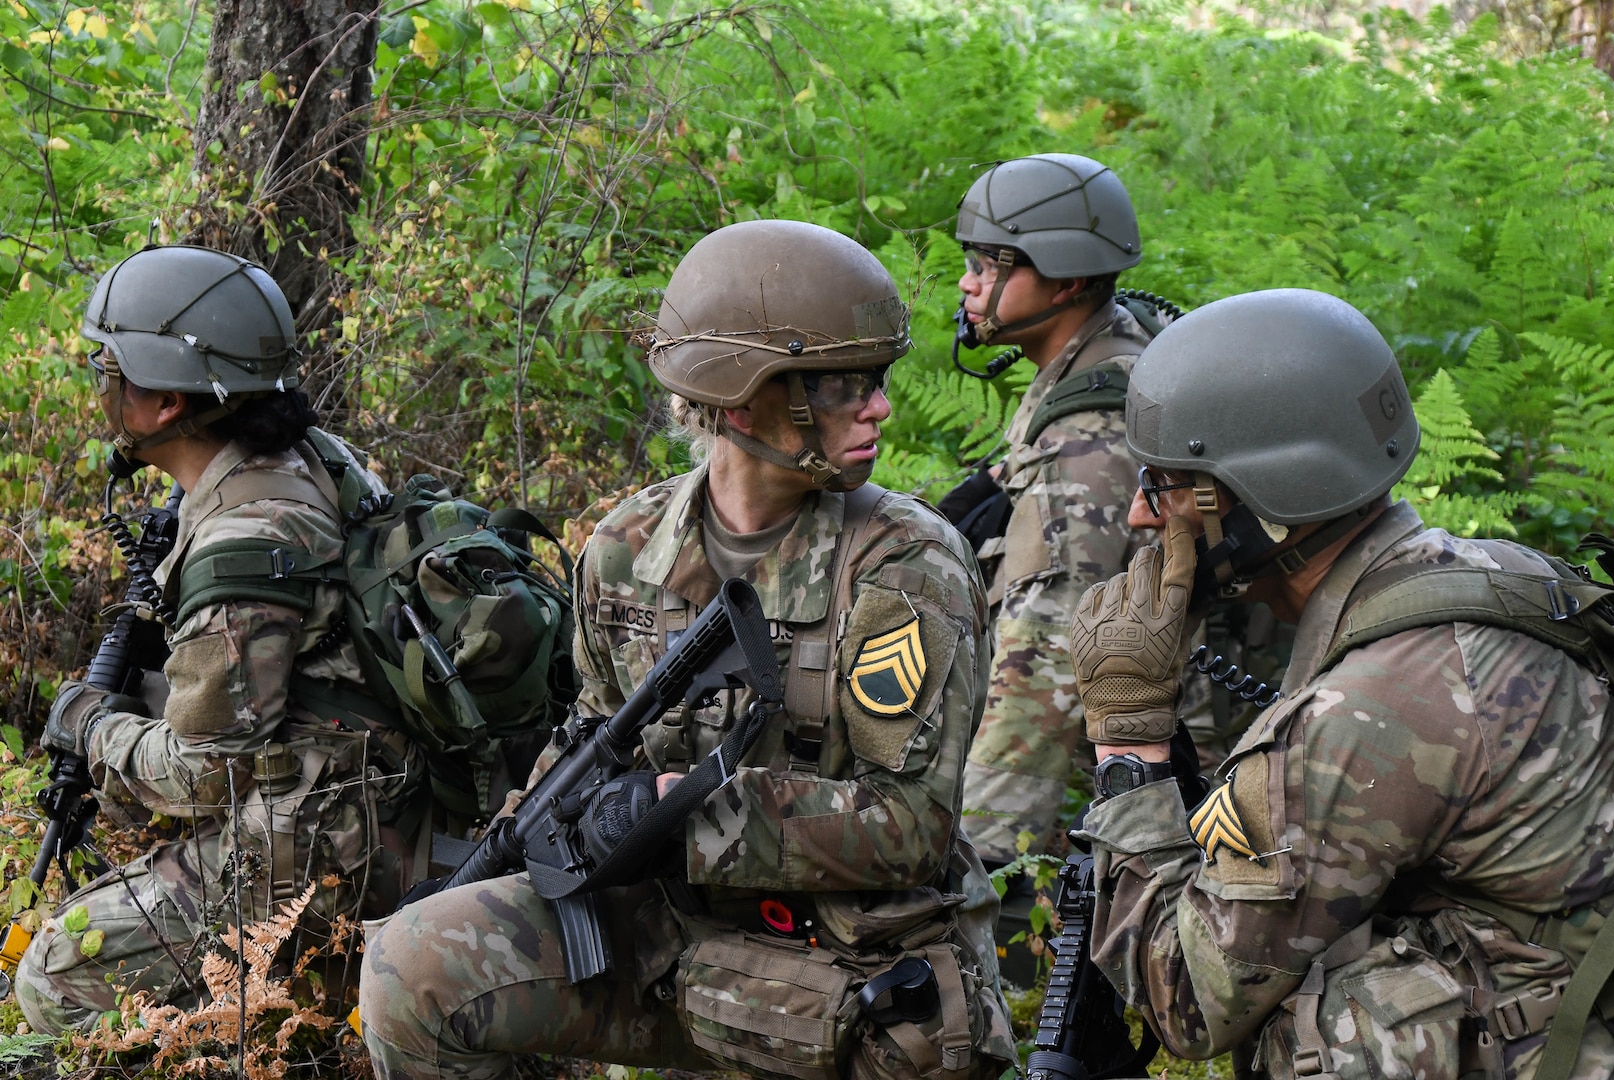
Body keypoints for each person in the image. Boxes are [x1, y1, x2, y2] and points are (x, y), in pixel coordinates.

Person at [357, 219, 1017, 1080]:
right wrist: (543, 824)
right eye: (844, 384)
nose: (880, 406)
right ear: (746, 398)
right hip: (669, 941)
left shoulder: (905, 569)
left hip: (847, 976)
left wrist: (681, 814)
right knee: (413, 964)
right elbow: (591, 728)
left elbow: (913, 828)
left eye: (877, 379)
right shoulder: (628, 546)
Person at [1069, 287, 1614, 1078]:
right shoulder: (1498, 572)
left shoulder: (1363, 713)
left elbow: (1189, 999)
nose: (1137, 516)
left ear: (1255, 501)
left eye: (1161, 484)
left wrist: (1130, 742)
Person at [19, 245, 437, 1032]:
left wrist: (91, 727)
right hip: (370, 778)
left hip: (331, 837)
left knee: (53, 979)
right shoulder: (301, 457)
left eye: (109, 368)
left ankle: (300, 1003)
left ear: (168, 402)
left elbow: (206, 775)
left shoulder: (248, 539)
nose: (100, 382)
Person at [949, 152, 1158, 868]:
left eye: (990, 266)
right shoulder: (1114, 349)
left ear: (1066, 281)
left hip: (1181, 780)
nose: (967, 285)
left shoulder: (1086, 455)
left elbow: (1040, 680)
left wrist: (970, 877)